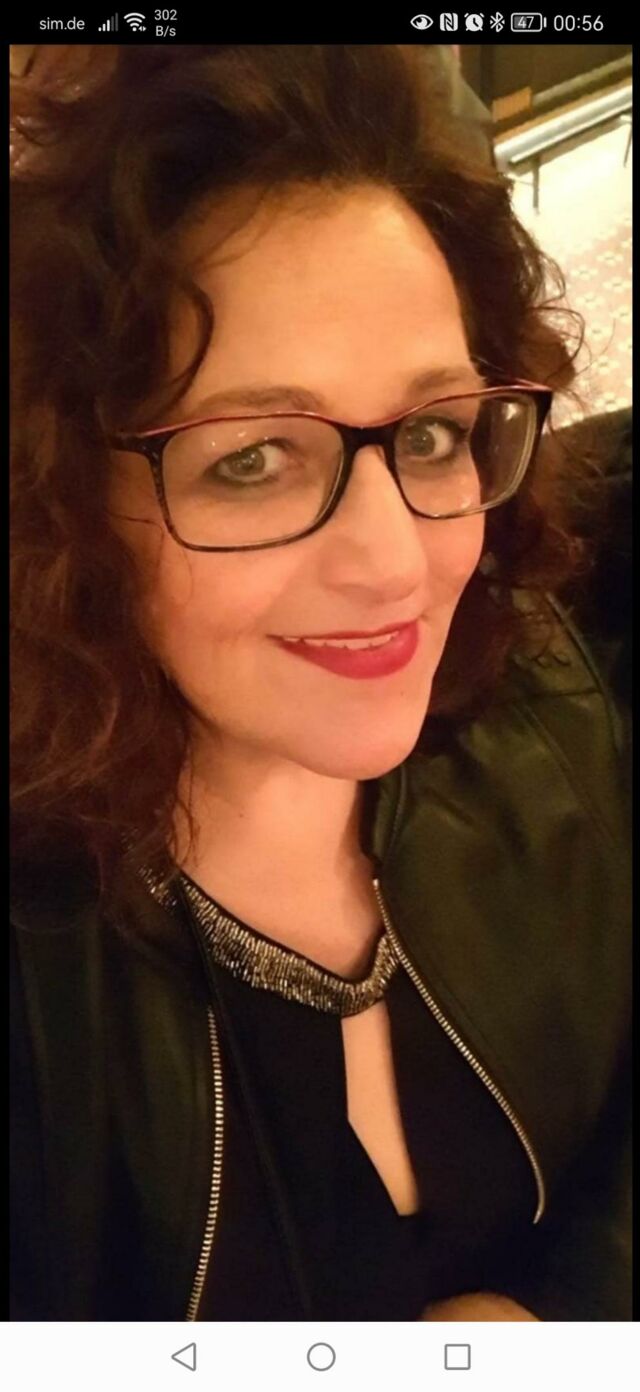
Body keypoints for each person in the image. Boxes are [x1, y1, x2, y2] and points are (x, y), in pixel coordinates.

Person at [10, 45, 630, 1323]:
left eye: (430, 432)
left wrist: (557, 1319)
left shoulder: (537, 699)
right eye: (252, 460)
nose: (396, 563)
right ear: (62, 502)